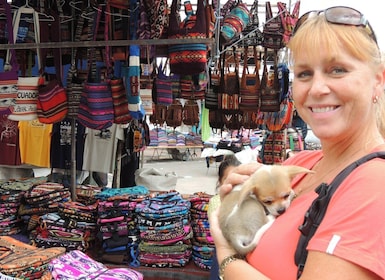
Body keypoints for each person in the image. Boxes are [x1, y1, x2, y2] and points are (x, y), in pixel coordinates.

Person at [209, 6, 385, 280]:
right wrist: (238, 201)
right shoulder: (301, 163)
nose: (316, 88)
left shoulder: (374, 185)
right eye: (304, 74)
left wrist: (226, 256)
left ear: (378, 80)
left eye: (337, 70)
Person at [207, 154, 241, 280]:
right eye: (228, 179)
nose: (233, 184)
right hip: (224, 250)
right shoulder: (216, 202)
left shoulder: (246, 199)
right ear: (220, 181)